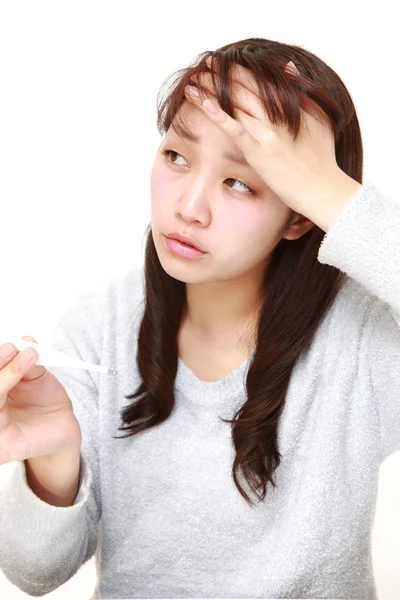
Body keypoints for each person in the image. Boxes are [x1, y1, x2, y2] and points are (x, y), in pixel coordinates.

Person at [0, 36, 399, 599]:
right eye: (176, 156)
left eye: (241, 181)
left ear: (299, 216)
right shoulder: (101, 325)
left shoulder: (361, 337)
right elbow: (34, 573)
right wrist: (53, 458)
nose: (188, 207)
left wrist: (330, 192)